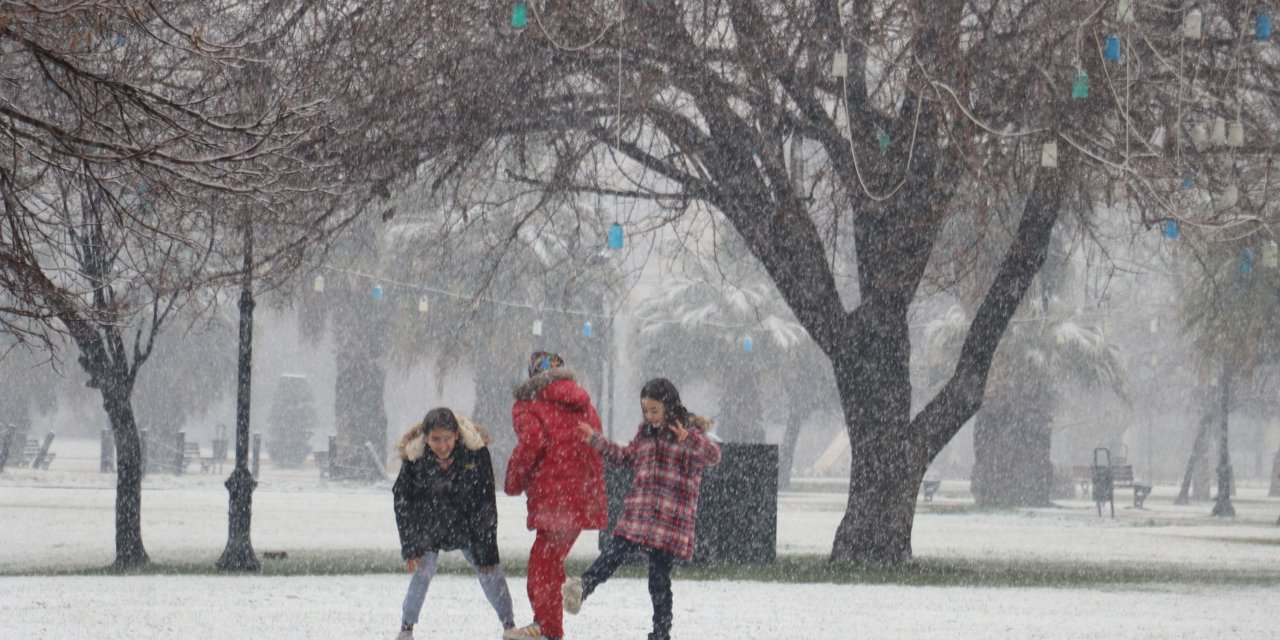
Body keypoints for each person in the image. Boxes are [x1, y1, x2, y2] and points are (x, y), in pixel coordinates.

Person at [562, 378, 721, 640]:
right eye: (646, 410)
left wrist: (689, 439)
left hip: (669, 520)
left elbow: (713, 456)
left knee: (658, 580)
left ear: (669, 407)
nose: (650, 416)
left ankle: (661, 633)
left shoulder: (688, 433)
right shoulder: (645, 434)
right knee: (613, 553)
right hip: (639, 514)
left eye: (654, 410)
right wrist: (596, 441)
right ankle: (582, 587)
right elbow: (626, 457)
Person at [503, 352, 607, 640]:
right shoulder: (584, 403)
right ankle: (548, 621)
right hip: (581, 497)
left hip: (553, 498)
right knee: (549, 563)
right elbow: (594, 442)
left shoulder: (528, 405)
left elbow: (533, 441)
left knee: (541, 565)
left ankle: (547, 629)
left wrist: (512, 481)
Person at [392, 408, 518, 640]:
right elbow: (403, 502)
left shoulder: (476, 455)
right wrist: (410, 547)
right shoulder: (414, 459)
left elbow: (486, 503)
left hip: (467, 525)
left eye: (447, 439)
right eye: (435, 440)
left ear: (456, 436)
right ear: (426, 438)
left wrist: (487, 550)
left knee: (490, 571)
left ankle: (509, 624)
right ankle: (406, 628)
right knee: (423, 571)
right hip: (429, 525)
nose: (442, 446)